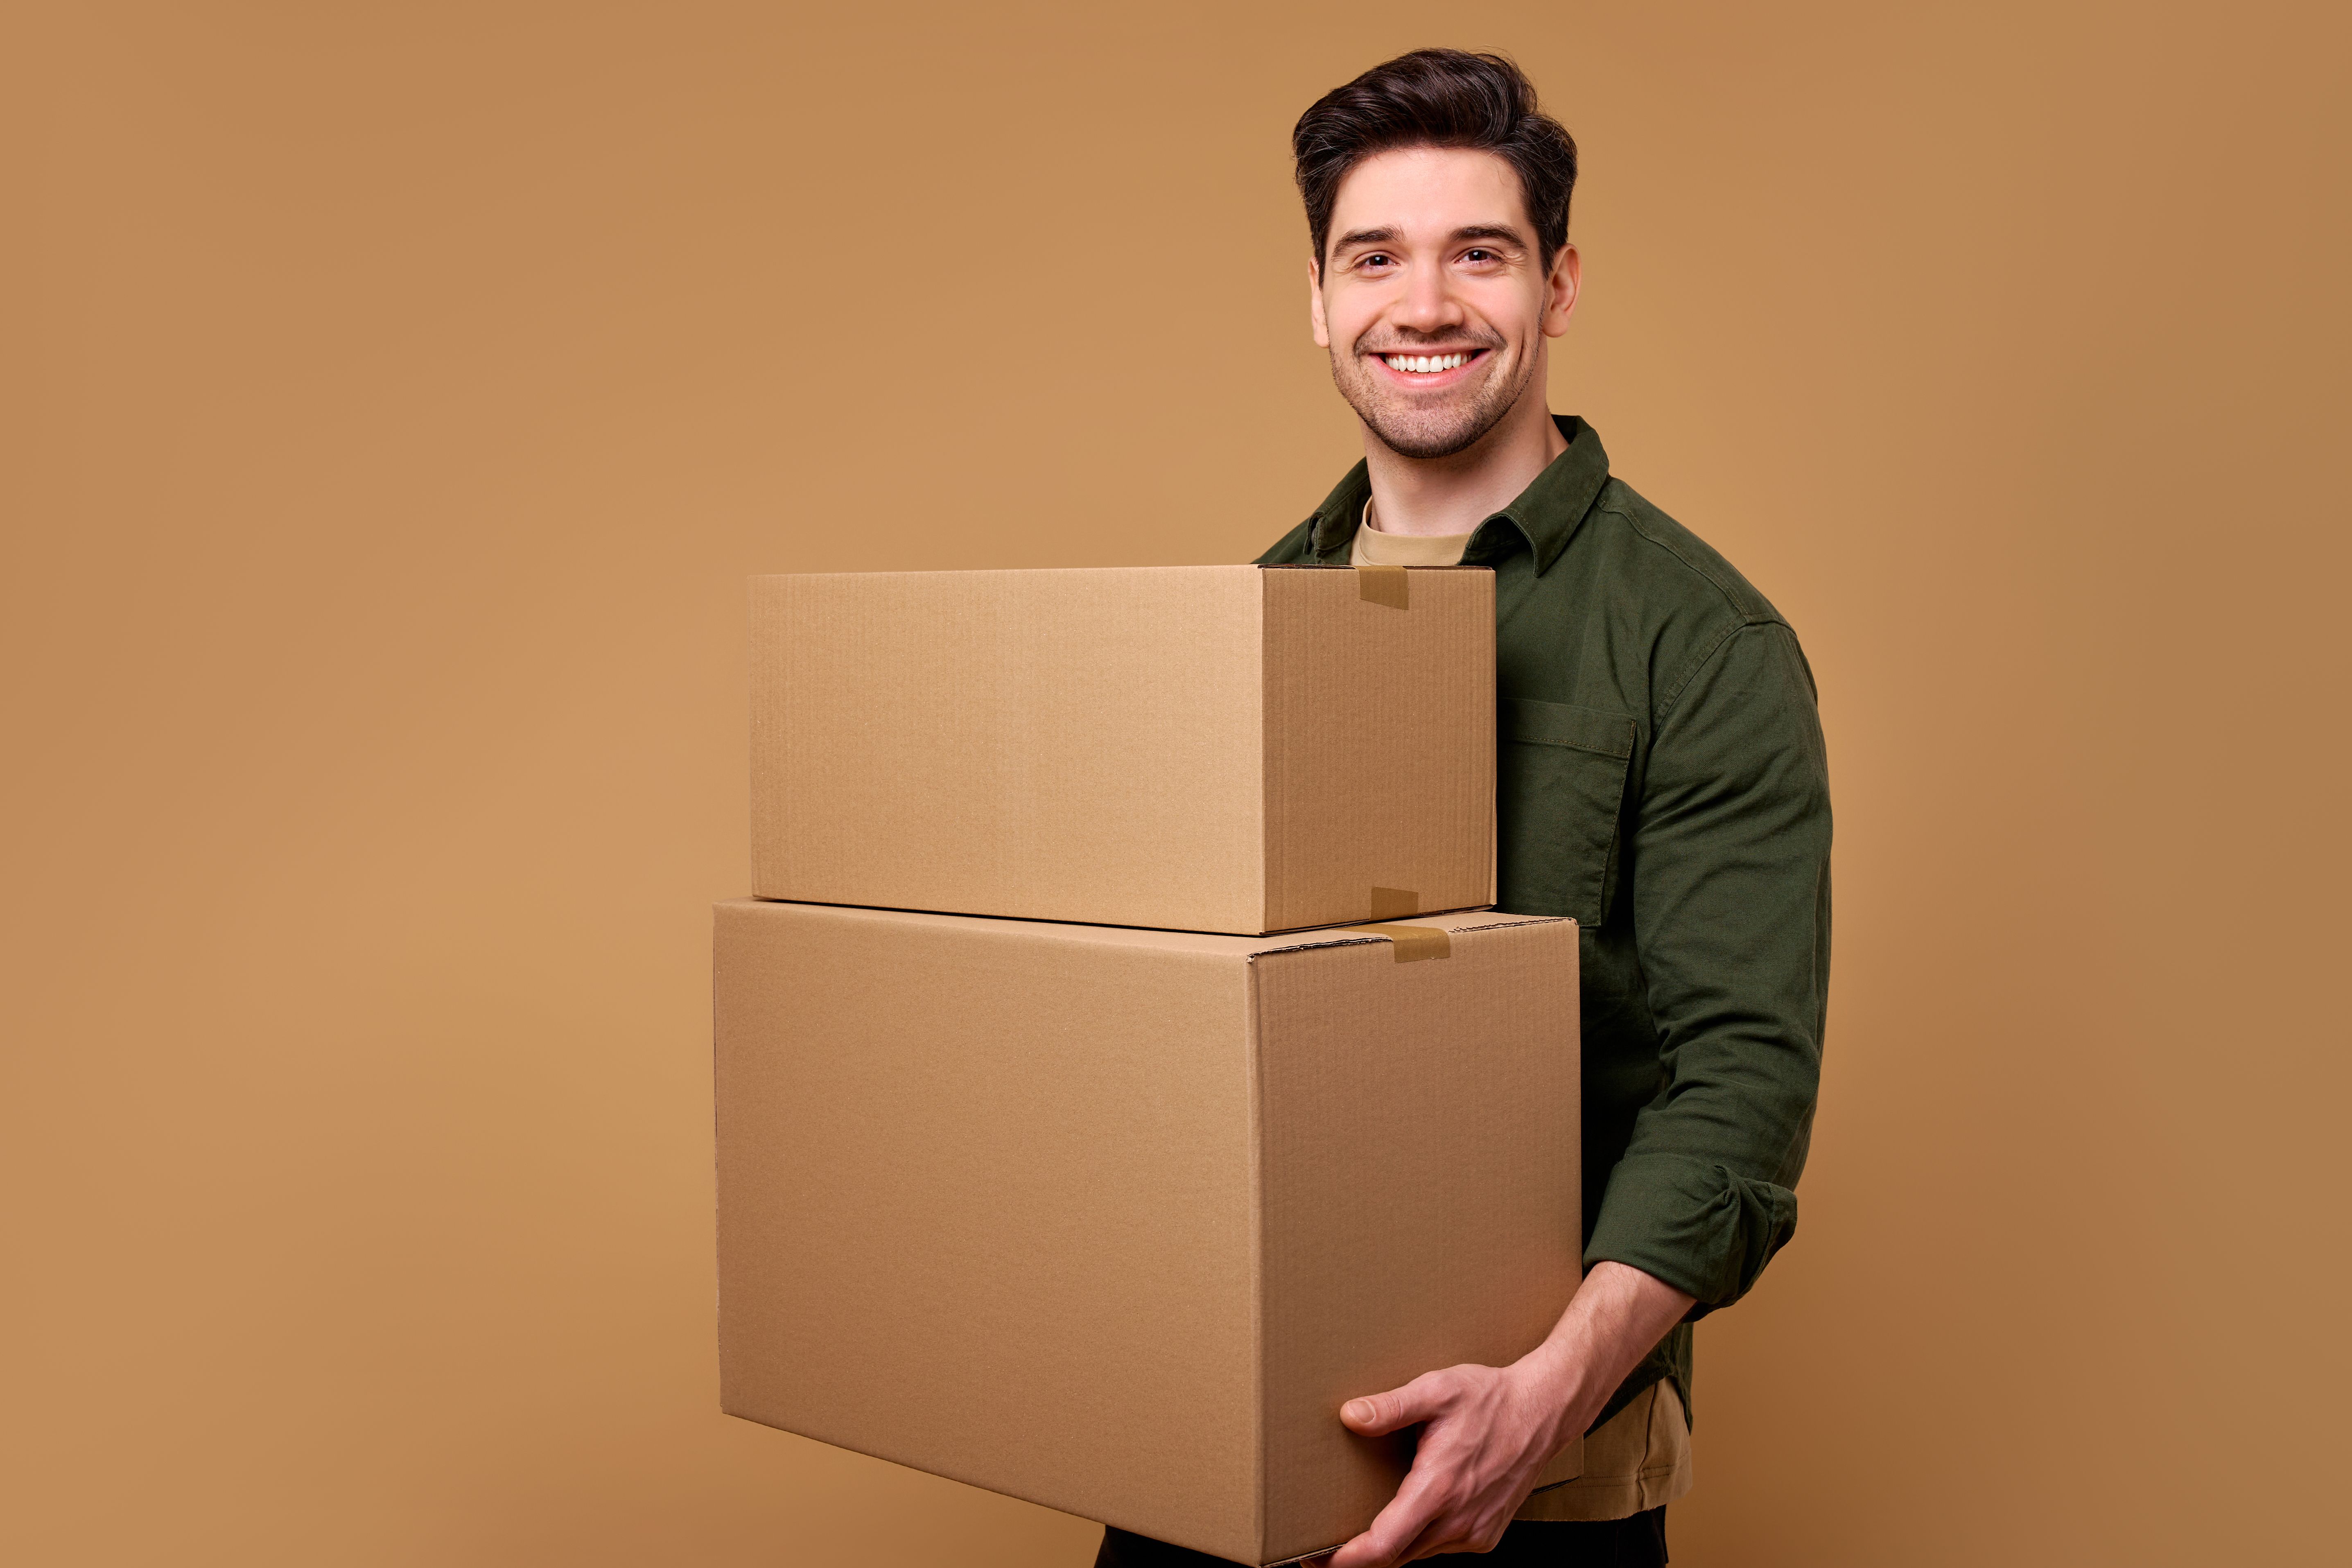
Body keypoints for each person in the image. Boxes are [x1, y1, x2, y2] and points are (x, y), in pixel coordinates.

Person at [1097, 49, 1832, 1568]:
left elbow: (1739, 1092)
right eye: (1375, 257)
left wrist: (1550, 1396)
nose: (1422, 305)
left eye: (1476, 253)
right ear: (1317, 296)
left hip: (1532, 1473)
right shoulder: (1242, 621)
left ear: (1556, 285)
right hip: (1224, 1442)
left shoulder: (1700, 641)